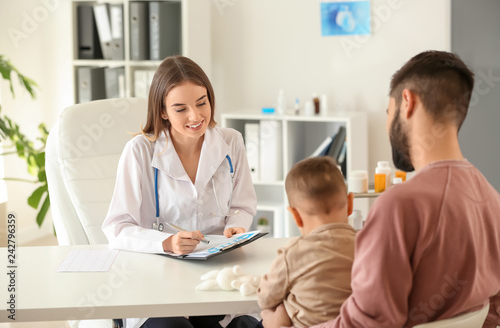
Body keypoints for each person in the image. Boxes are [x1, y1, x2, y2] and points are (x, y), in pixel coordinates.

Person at [262, 50, 500, 328]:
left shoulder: (397, 206)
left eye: (389, 112)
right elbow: (491, 312)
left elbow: (367, 325)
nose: (389, 125)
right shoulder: (491, 199)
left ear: (407, 102)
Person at [102, 55, 258, 328]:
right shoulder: (139, 151)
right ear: (162, 111)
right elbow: (117, 227)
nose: (195, 116)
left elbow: (242, 206)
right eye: (180, 108)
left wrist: (236, 226)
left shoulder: (231, 142)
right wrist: (166, 243)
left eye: (201, 103)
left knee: (245, 324)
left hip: (215, 274)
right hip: (157, 280)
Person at [257, 157, 356, 327]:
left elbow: (265, 298)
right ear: (350, 204)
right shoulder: (367, 246)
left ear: (295, 215)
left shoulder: (293, 254)